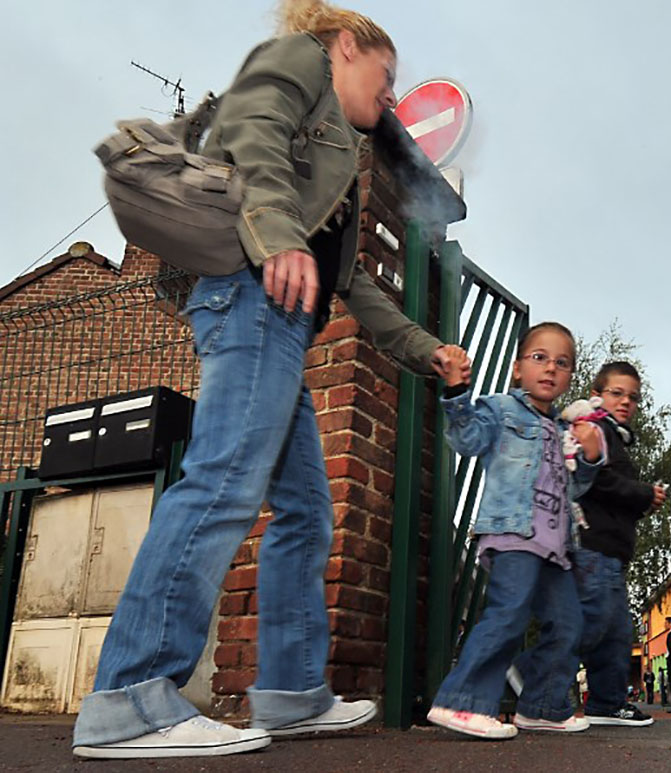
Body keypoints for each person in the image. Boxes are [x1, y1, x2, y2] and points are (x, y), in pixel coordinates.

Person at [72, 1, 472, 760]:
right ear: (346, 47)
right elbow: (253, 125)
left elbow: (354, 289)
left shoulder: (335, 174)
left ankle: (289, 694)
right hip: (252, 300)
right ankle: (128, 699)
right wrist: (281, 235)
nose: (389, 99)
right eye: (385, 80)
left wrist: (429, 352)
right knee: (222, 482)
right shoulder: (299, 63)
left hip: (281, 323)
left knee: (305, 514)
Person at [427, 322, 603, 740]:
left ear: (570, 377)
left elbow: (574, 488)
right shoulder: (502, 409)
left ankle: (542, 705)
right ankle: (462, 702)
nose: (550, 368)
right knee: (508, 614)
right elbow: (467, 438)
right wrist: (455, 390)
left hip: (556, 548)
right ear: (516, 369)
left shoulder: (564, 430)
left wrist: (591, 456)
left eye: (562, 363)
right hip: (514, 536)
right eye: (539, 357)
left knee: (568, 623)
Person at [574, 362, 665, 727]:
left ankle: (607, 703)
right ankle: (530, 672)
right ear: (597, 394)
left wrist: (643, 502)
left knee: (616, 631)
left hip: (611, 549)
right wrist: (644, 493)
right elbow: (598, 481)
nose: (626, 401)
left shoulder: (616, 435)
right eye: (617, 393)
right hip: (592, 545)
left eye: (633, 397)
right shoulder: (595, 429)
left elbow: (614, 499)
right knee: (591, 623)